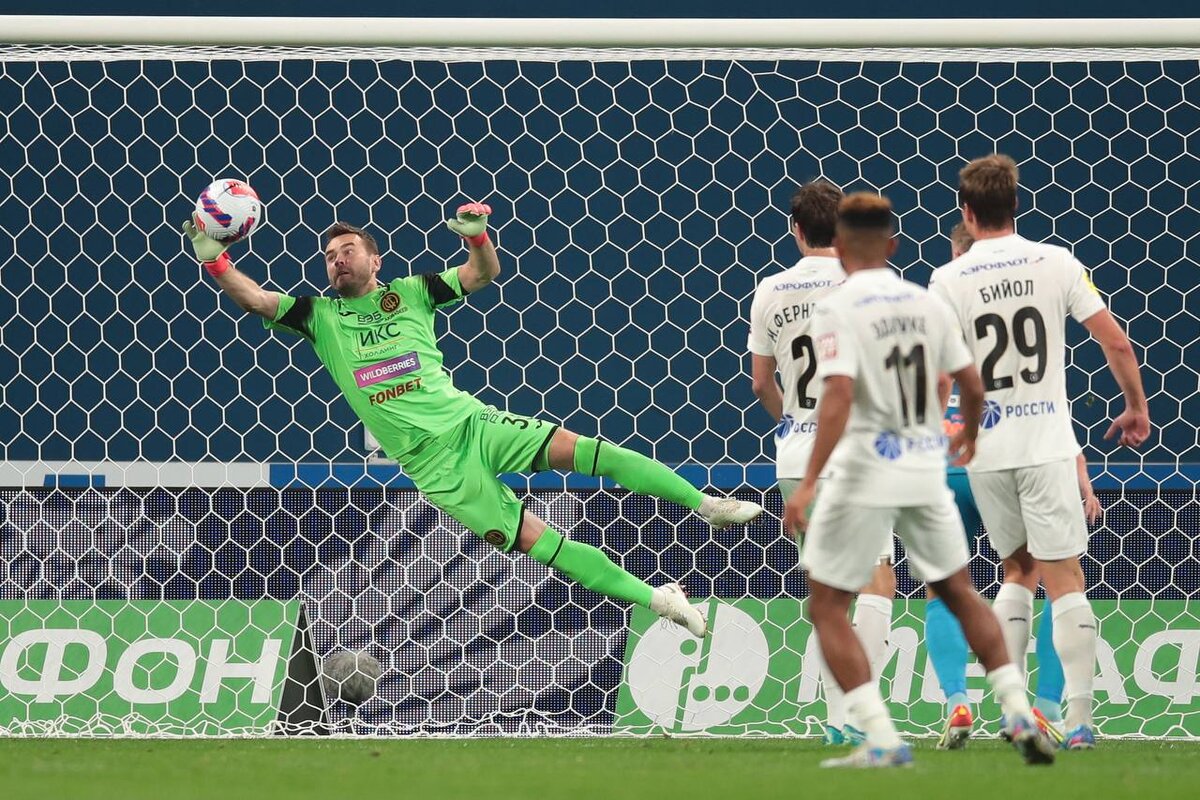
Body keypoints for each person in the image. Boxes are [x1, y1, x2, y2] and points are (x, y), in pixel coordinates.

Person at [181, 203, 763, 639]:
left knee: (589, 451)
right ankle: (661, 600)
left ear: (375, 260)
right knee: (541, 542)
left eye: (348, 250)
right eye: (330, 256)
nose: (338, 260)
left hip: (472, 423)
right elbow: (256, 299)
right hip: (435, 468)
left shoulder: (413, 291)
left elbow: (481, 274)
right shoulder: (317, 315)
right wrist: (217, 261)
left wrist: (478, 238)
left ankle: (704, 505)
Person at [784, 192, 1055, 768]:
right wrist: (969, 435)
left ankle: (879, 735)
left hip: (863, 473)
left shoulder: (837, 306)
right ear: (893, 244)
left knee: (827, 605)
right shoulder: (925, 302)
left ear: (840, 244)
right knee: (959, 591)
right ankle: (1015, 708)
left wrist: (808, 483)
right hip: (924, 468)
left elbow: (838, 395)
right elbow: (971, 383)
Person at [929, 155, 1150, 750]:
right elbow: (1116, 341)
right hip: (1047, 444)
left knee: (1015, 571)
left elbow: (941, 376)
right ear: (1016, 204)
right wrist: (1135, 405)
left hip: (986, 450)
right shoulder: (1057, 262)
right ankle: (1078, 721)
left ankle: (1014, 712)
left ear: (967, 213)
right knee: (1065, 576)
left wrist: (936, 433)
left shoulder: (947, 280)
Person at [747, 180, 894, 745]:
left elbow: (761, 382)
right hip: (859, 449)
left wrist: (793, 422)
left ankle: (838, 722)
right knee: (877, 579)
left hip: (797, 456)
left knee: (828, 594)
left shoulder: (770, 291)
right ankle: (861, 715)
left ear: (796, 230)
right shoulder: (869, 283)